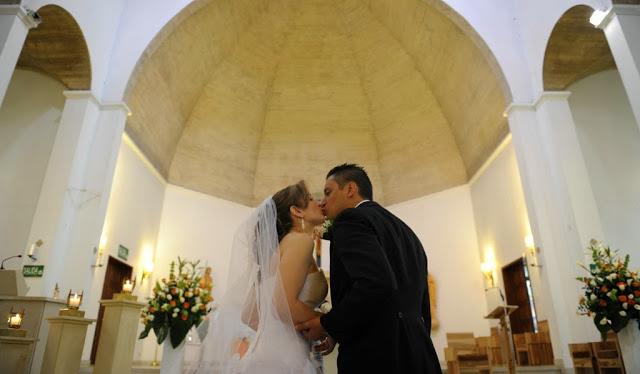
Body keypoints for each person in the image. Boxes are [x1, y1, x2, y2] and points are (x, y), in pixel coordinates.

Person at [296, 163, 442, 373]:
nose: (322, 201)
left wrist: (328, 324)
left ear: (350, 189)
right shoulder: (407, 233)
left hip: (377, 357)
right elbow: (420, 304)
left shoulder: (350, 220)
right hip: (419, 353)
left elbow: (375, 284)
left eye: (328, 192)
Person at [188, 181, 329, 374]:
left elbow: (248, 314)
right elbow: (282, 304)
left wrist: (278, 329)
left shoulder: (274, 252)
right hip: (287, 358)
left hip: (265, 353)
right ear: (297, 211)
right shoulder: (301, 241)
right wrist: (325, 323)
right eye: (311, 199)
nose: (319, 202)